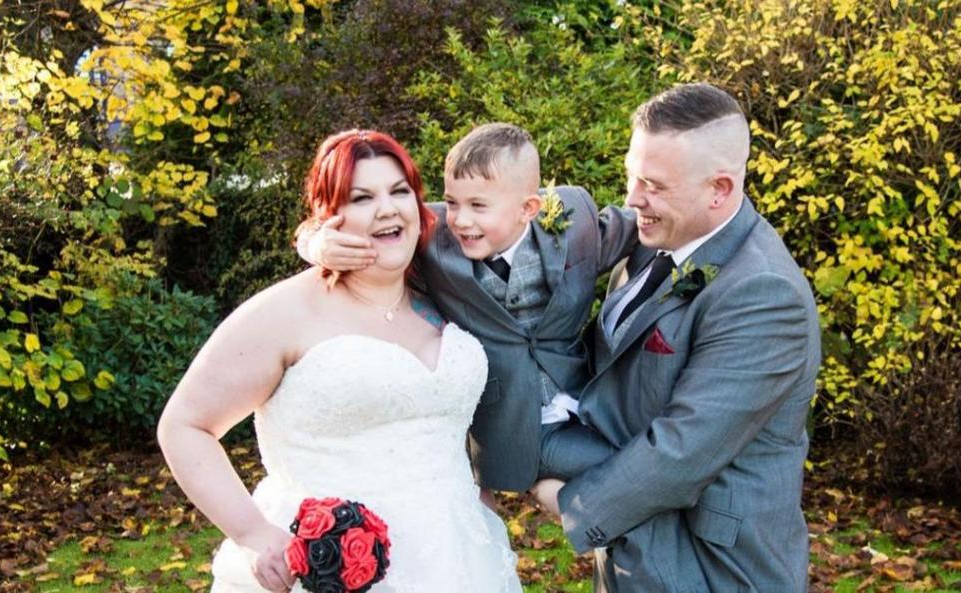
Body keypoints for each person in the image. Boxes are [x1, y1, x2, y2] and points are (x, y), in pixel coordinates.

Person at [157, 129, 522, 593]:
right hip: (329, 568)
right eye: (361, 197)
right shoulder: (286, 313)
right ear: (328, 215)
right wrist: (252, 534)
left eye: (399, 191)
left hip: (461, 558)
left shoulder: (448, 283)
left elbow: (534, 201)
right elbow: (184, 425)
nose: (387, 208)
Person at [533, 83, 822, 592]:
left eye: (653, 185)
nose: (631, 199)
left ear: (720, 190)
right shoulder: (654, 234)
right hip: (634, 552)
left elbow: (682, 451)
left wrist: (569, 502)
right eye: (631, 175)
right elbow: (513, 235)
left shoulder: (763, 293)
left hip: (714, 569)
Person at [298, 123, 638, 494]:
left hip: (590, 398)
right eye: (452, 202)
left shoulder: (573, 222)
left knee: (656, 464)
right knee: (633, 469)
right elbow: (347, 223)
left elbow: (649, 224)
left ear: (528, 208)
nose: (460, 219)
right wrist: (313, 243)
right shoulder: (433, 238)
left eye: (477, 205)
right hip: (514, 428)